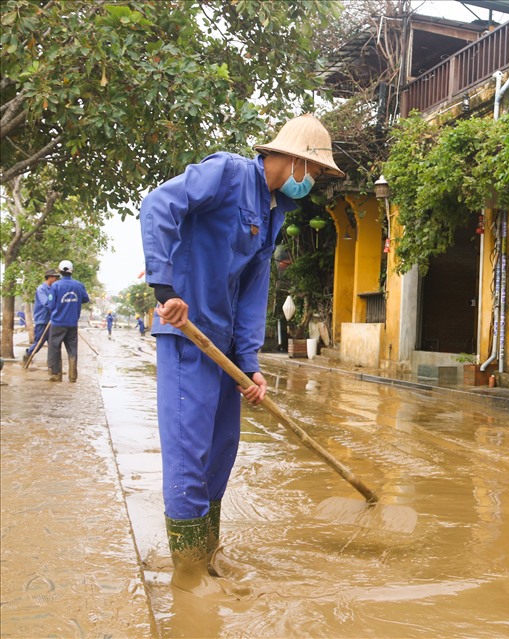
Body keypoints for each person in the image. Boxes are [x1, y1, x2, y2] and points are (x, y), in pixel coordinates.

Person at [139, 113, 343, 596]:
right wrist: (164, 287)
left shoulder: (275, 211)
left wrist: (250, 365)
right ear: (294, 159)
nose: (310, 182)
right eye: (312, 171)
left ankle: (206, 555)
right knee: (190, 455)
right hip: (187, 335)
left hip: (225, 352)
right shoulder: (227, 173)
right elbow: (158, 205)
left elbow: (254, 290)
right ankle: (186, 575)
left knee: (220, 454)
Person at [46, 260, 90, 382]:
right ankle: (72, 376)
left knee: (54, 348)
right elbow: (86, 299)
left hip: (57, 323)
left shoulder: (55, 286)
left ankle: (56, 374)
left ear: (59, 271)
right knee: (72, 349)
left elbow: (50, 305)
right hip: (72, 323)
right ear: (72, 271)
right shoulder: (79, 285)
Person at [23, 269, 60, 364]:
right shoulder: (41, 289)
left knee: (53, 344)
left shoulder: (54, 289)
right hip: (42, 320)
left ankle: (52, 366)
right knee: (39, 342)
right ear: (50, 277)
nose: (56, 280)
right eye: (55, 277)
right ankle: (28, 354)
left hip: (52, 320)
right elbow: (47, 303)